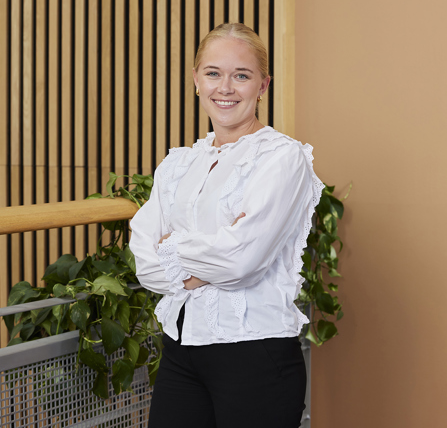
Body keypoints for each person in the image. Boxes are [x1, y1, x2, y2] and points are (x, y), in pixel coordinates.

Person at [129, 22, 324, 428]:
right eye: (214, 73)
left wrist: (172, 246)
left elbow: (240, 261)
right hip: (181, 350)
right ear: (196, 80)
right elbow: (145, 263)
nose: (225, 88)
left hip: (255, 355)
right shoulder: (178, 164)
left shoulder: (282, 158)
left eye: (242, 75)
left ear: (263, 85)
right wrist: (207, 255)